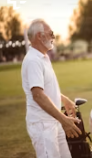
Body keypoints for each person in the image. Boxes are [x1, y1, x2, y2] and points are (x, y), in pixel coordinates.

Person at [21, 19, 82, 158]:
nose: (53, 37)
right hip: (43, 125)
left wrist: (63, 99)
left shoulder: (43, 57)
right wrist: (63, 119)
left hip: (53, 121)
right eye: (51, 33)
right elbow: (38, 95)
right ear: (39, 36)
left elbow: (45, 88)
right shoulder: (33, 61)